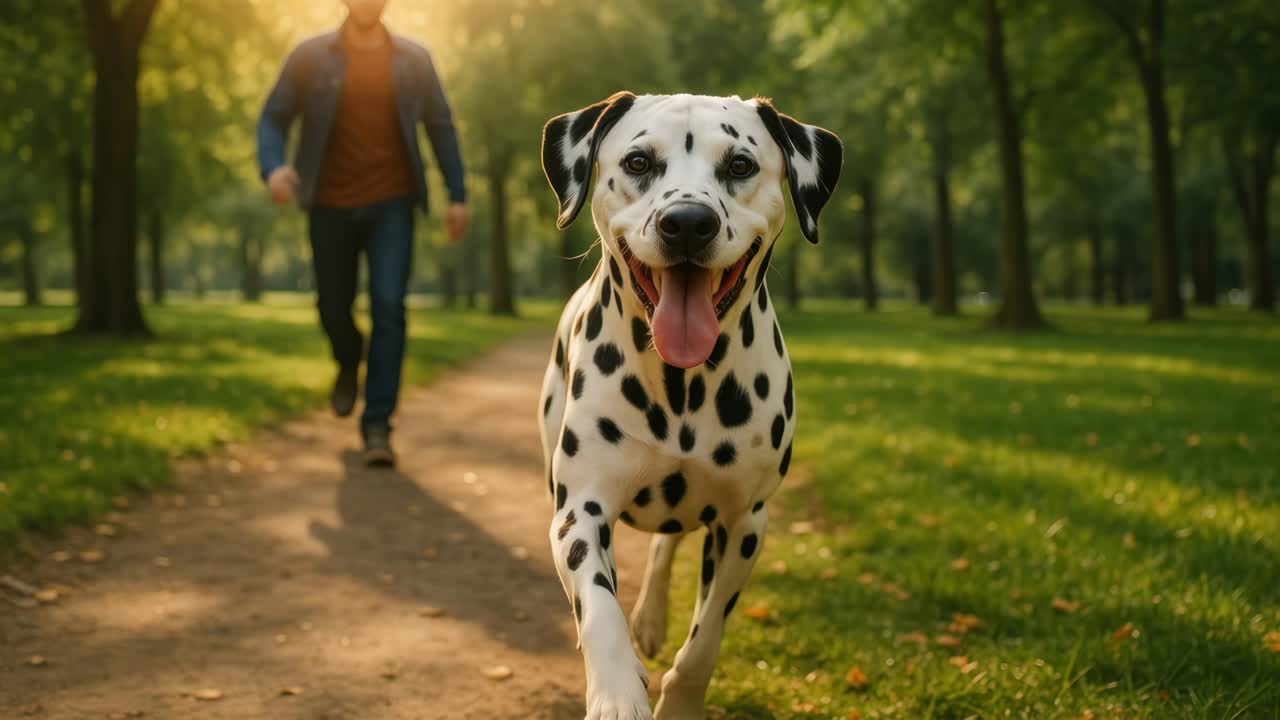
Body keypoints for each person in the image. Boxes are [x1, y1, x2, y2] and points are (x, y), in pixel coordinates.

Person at [257, 0, 467, 467]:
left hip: (392, 205)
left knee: (389, 307)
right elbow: (273, 116)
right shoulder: (310, 56)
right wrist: (272, 168)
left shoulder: (414, 59)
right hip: (328, 204)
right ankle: (350, 357)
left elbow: (441, 127)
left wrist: (457, 193)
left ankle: (377, 426)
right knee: (332, 305)